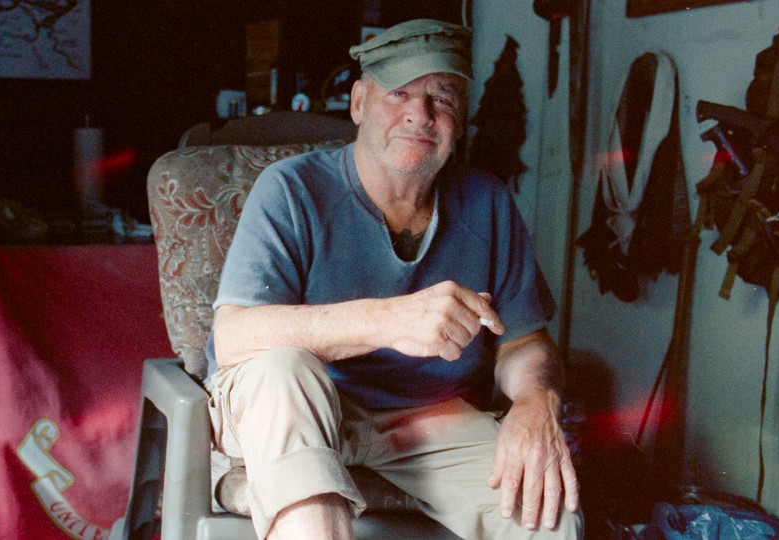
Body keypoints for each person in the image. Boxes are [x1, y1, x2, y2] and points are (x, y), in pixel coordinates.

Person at [207, 18, 583, 540]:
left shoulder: (488, 201)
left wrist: (534, 399)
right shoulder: (290, 190)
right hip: (305, 407)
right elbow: (233, 337)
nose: (419, 115)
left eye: (442, 98)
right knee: (284, 368)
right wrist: (389, 320)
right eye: (399, 93)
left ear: (461, 116)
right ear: (359, 103)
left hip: (424, 420)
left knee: (548, 516)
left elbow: (524, 341)